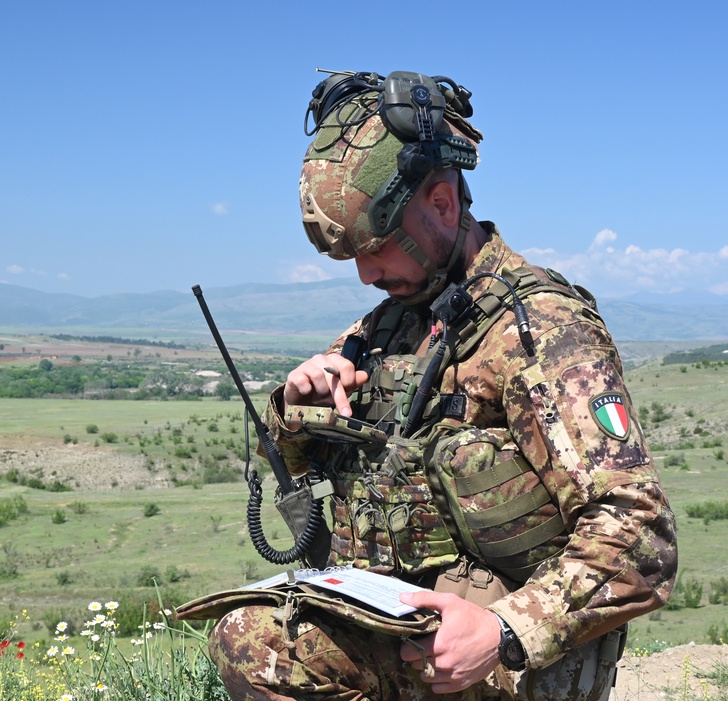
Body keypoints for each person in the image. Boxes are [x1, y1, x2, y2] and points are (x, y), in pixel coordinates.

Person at [206, 70, 678, 701]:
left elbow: (640, 533)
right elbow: (303, 464)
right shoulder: (389, 324)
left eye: (377, 249)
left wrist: (504, 630)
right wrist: (297, 411)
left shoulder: (539, 329)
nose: (367, 274)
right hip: (406, 623)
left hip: (504, 652)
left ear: (442, 204)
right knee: (253, 641)